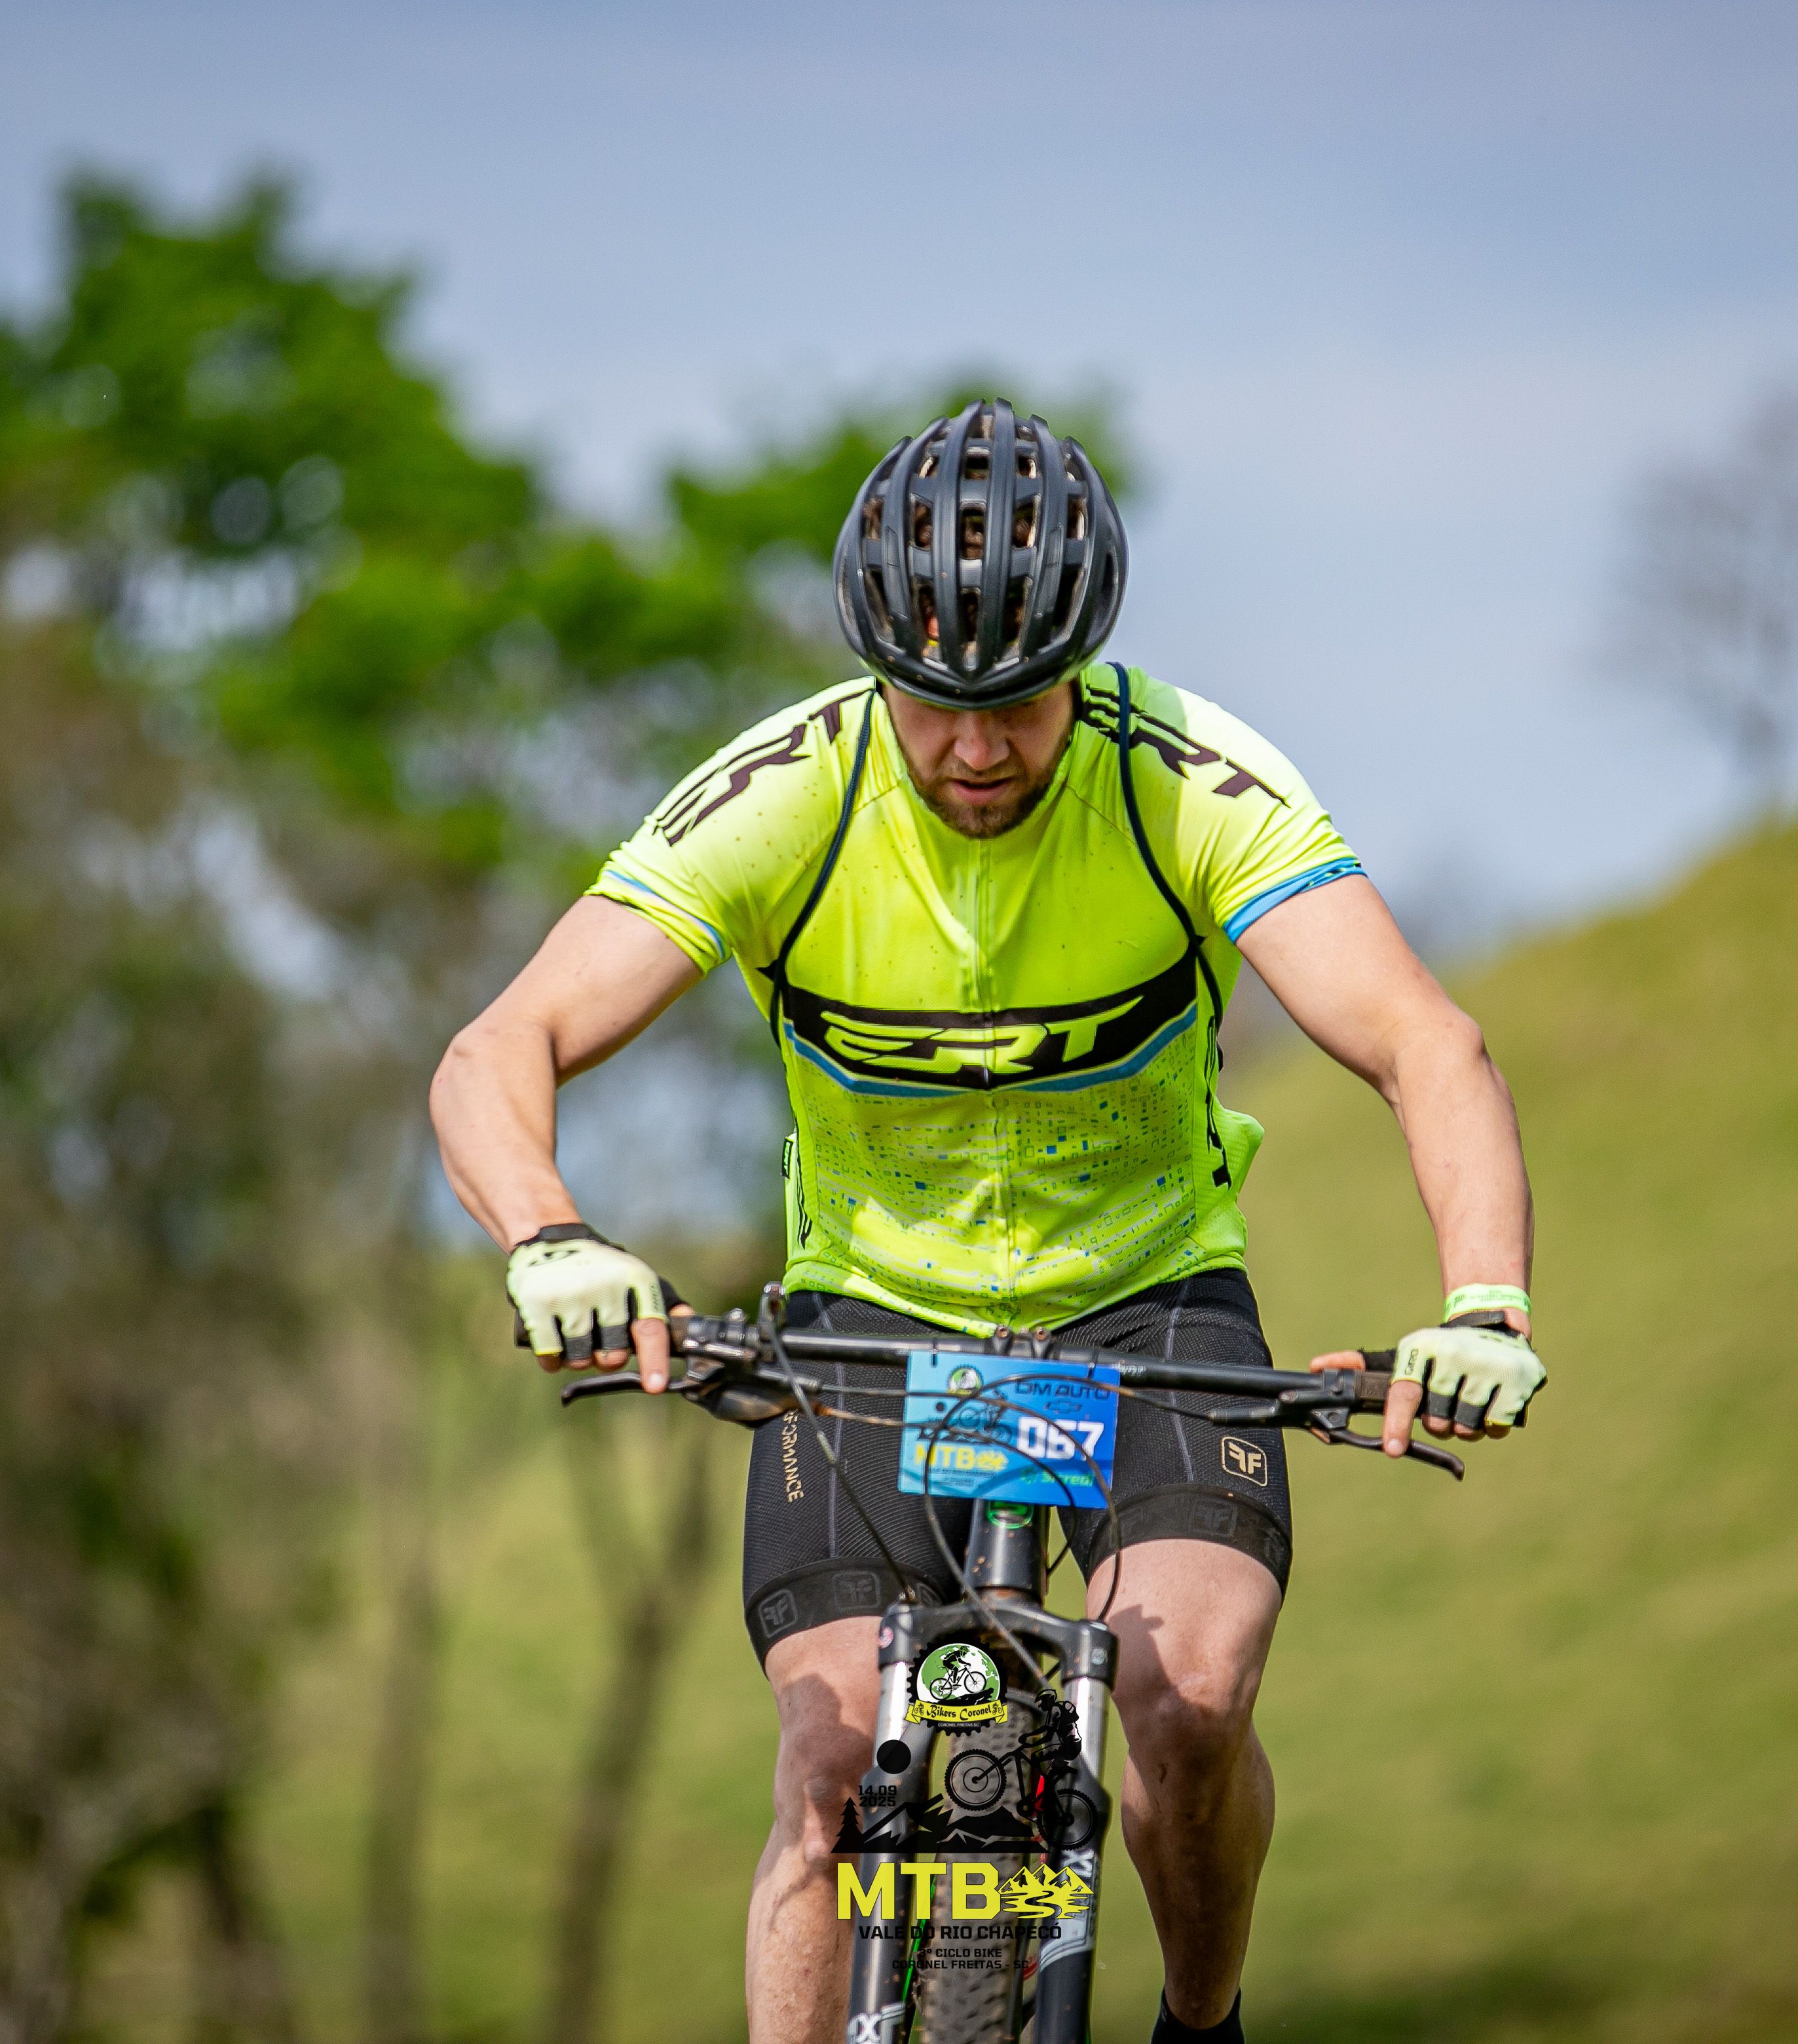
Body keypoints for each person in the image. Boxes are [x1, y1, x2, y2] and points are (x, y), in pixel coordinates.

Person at [431, 401, 1541, 2044]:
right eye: (934, 702)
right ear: (876, 668)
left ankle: (1201, 2021)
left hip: (1146, 1302)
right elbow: (499, 1046)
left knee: (1190, 1700)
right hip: (871, 1318)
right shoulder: (789, 795)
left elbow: (1422, 1043)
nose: (974, 749)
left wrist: (1485, 1301)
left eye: (1019, 703)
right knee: (831, 1772)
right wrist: (547, 1237)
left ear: (1083, 666)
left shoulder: (1186, 785)